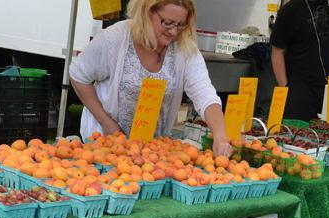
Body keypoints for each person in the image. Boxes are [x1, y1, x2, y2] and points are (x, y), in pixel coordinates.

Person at [69, 0, 232, 156]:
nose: (174, 31)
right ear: (146, 12)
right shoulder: (115, 39)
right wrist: (105, 121)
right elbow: (78, 76)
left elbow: (204, 94)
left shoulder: (184, 48)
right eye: (168, 23)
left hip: (153, 151)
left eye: (181, 25)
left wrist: (220, 136)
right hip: (105, 145)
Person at [270, 0, 329, 121]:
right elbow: (277, 51)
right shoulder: (290, 9)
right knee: (297, 135)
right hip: (299, 88)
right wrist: (285, 87)